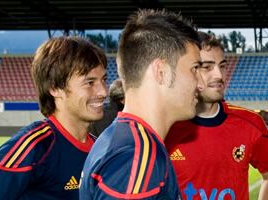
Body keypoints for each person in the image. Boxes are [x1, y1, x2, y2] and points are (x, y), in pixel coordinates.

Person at [79, 9, 204, 200]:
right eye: (194, 68)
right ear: (161, 71)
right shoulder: (136, 157)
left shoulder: (122, 138)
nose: (201, 84)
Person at [0, 36, 108, 199]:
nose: (103, 91)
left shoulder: (101, 149)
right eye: (89, 82)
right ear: (55, 88)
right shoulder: (35, 145)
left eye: (104, 80)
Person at [164, 32, 268, 200]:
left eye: (222, 66)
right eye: (207, 67)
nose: (219, 75)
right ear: (188, 72)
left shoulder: (251, 123)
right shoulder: (166, 126)